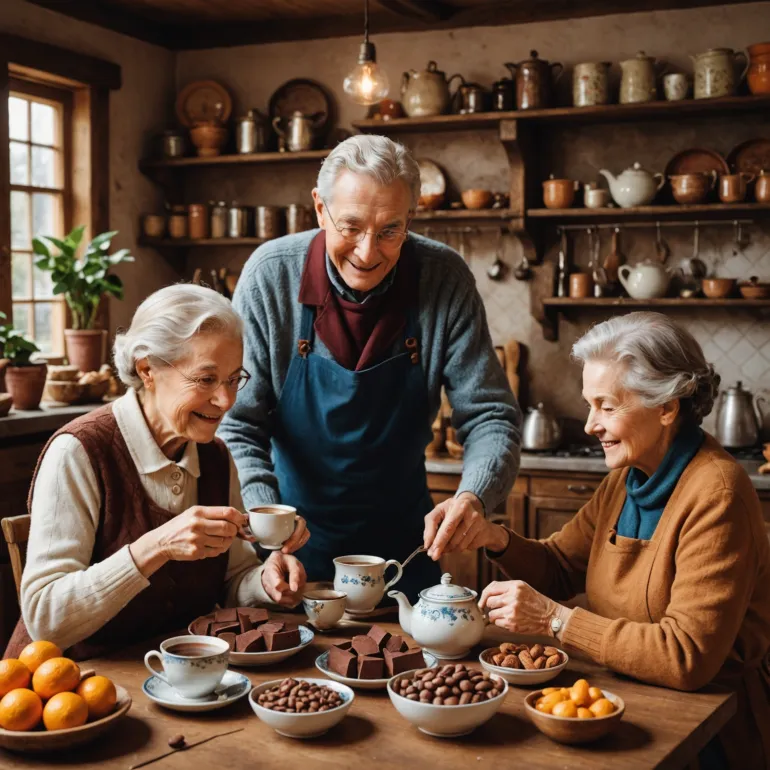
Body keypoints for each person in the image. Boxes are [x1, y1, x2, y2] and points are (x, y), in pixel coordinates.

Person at [426, 312, 770, 768]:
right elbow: (559, 567)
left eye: (607, 406)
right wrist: (494, 538)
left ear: (667, 407)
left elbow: (687, 657)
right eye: (591, 405)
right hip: (615, 699)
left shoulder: (717, 494)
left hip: (707, 729)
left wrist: (555, 620)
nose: (591, 425)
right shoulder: (627, 477)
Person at [218, 134, 521, 600]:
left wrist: (473, 496)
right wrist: (266, 524)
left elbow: (490, 415)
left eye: (389, 231)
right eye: (351, 227)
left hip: (405, 558)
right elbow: (238, 424)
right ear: (320, 209)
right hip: (291, 555)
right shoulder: (270, 275)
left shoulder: (443, 277)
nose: (367, 252)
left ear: (411, 218)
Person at [5, 285, 309, 660]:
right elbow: (45, 620)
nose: (226, 401)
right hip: (68, 694)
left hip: (171, 681)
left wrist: (264, 582)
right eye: (205, 379)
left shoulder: (214, 457)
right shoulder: (78, 451)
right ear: (147, 370)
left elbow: (231, 579)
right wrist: (157, 546)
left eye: (233, 379)